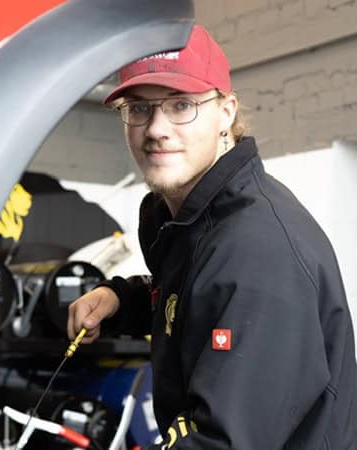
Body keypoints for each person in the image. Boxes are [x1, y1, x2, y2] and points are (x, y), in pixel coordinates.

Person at [67, 24, 357, 449]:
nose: (156, 129)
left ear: (226, 112)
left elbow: (222, 442)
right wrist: (123, 301)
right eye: (140, 108)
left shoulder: (259, 251)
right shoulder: (193, 219)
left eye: (181, 104)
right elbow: (203, 299)